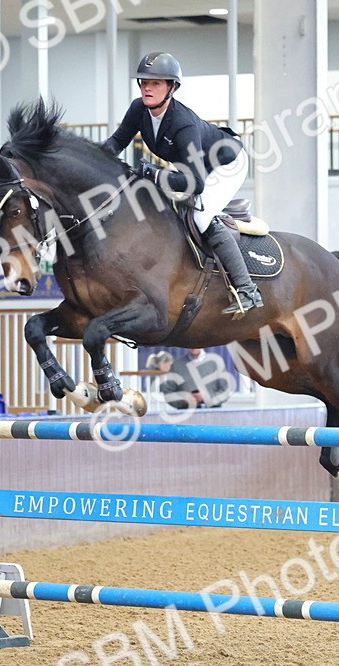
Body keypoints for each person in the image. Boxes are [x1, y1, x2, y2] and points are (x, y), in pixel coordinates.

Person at [101, 52, 262, 316]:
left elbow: (196, 183)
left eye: (155, 83)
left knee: (201, 219)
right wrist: (94, 160)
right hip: (190, 166)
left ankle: (247, 290)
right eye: (143, 82)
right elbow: (117, 142)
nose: (147, 88)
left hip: (225, 164)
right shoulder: (138, 110)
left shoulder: (182, 123)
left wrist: (154, 174)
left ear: (172, 88)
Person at [153, 348, 232, 409]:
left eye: (197, 340)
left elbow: (226, 391)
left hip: (213, 417)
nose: (194, 345)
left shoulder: (215, 363)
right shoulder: (176, 366)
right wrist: (183, 400)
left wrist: (207, 397)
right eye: (191, 341)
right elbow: (168, 393)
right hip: (186, 419)